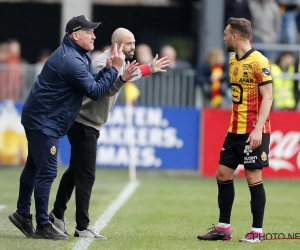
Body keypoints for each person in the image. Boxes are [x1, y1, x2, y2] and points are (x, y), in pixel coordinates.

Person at [8, 15, 127, 240]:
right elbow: (94, 92)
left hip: (41, 118)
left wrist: (107, 70)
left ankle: (23, 213)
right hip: (45, 121)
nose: (94, 35)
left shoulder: (77, 55)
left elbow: (91, 82)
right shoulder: (71, 59)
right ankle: (43, 224)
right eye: (89, 32)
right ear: (75, 35)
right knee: (47, 171)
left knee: (34, 167)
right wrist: (114, 71)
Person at [48, 27, 169, 239]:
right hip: (83, 123)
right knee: (86, 175)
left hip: (88, 123)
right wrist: (122, 79)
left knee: (75, 172)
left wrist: (150, 67)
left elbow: (127, 75)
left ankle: (56, 215)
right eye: (130, 43)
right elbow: (99, 92)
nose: (134, 46)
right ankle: (82, 227)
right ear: (118, 45)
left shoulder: (118, 60)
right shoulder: (100, 62)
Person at [197, 17, 273, 243]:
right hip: (234, 130)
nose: (223, 37)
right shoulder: (232, 62)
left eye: (225, 33)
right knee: (222, 174)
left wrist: (258, 129)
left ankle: (257, 232)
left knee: (252, 176)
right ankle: (223, 228)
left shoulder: (260, 61)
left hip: (254, 130)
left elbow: (268, 97)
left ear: (235, 36)